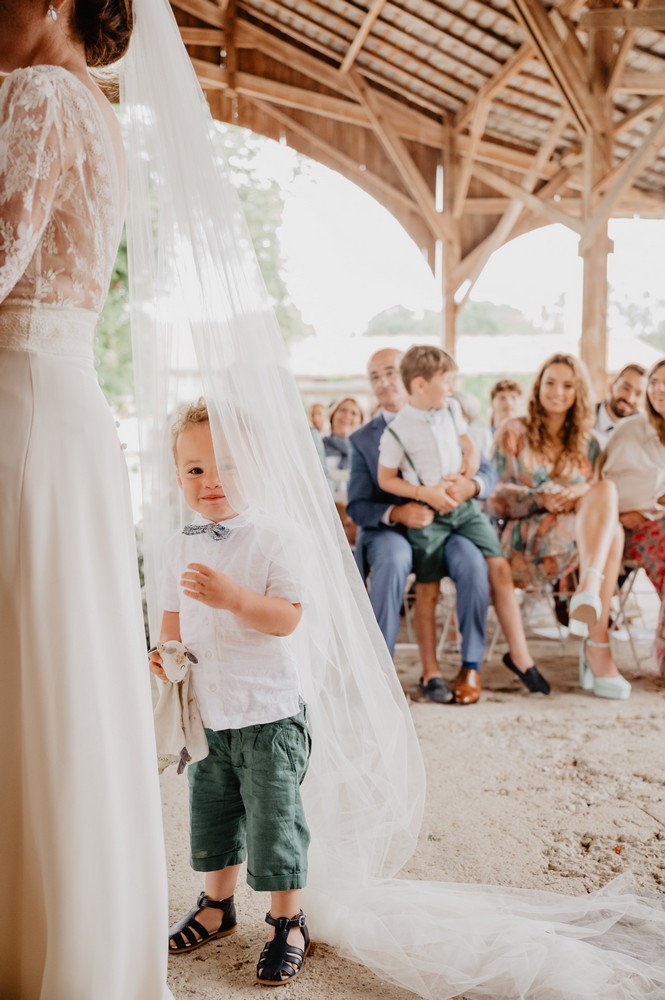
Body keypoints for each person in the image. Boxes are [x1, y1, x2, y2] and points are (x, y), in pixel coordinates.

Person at [0, 2, 172, 997]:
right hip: (61, 410)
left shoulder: (37, 95)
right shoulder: (97, 109)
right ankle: (73, 944)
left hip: (18, 406)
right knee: (58, 679)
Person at [149, 402, 311, 985]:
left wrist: (234, 599)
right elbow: (172, 619)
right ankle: (217, 906)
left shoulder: (274, 537)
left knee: (275, 819)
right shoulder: (175, 545)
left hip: (267, 712)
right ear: (177, 478)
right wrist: (166, 656)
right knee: (211, 814)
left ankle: (288, 920)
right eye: (194, 470)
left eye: (227, 466)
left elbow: (287, 618)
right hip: (209, 715)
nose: (211, 480)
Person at [377, 345, 548, 703]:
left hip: (466, 507)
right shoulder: (397, 431)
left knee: (496, 563)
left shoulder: (451, 408)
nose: (453, 386)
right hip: (430, 513)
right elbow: (386, 479)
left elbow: (469, 445)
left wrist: (468, 472)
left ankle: (481, 664)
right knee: (428, 587)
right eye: (447, 380)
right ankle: (431, 670)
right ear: (421, 385)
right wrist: (424, 493)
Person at [489, 353, 631, 699]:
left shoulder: (591, 443)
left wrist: (582, 491)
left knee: (606, 494)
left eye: (568, 385)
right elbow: (495, 497)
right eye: (550, 382)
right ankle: (597, 646)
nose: (557, 392)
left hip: (576, 548)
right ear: (538, 386)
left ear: (578, 391)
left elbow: (600, 500)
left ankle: (588, 590)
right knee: (613, 532)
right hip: (524, 543)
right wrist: (542, 497)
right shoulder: (513, 431)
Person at [347, 348, 495, 678]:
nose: (384, 382)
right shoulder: (363, 439)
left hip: (447, 522)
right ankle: (379, 673)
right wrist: (398, 512)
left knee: (472, 560)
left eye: (390, 372)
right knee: (395, 557)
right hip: (392, 531)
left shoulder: (446, 411)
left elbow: (486, 470)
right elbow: (357, 505)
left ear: (413, 380)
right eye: (375, 377)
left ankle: (470, 666)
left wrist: (469, 487)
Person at [603, 358, 665, 678]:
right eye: (656, 381)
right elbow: (612, 486)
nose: (660, 389)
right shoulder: (630, 431)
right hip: (631, 529)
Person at [594, 363, 646, 448]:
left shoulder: (643, 430)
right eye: (626, 388)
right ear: (611, 386)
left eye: (638, 394)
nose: (630, 399)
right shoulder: (581, 414)